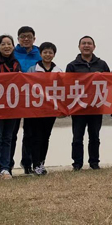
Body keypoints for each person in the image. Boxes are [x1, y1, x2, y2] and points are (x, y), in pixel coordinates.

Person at [66, 36, 110, 170]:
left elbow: (110, 82)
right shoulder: (72, 66)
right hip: (79, 107)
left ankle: (94, 162)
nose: (86, 46)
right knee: (77, 137)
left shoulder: (102, 65)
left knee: (95, 136)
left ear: (94, 47)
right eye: (83, 43)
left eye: (89, 43)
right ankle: (77, 164)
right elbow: (67, 86)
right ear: (79, 47)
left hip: (96, 107)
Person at [0, 35, 21, 181]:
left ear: (13, 46)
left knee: (8, 138)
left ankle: (5, 167)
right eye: (3, 44)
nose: (6, 46)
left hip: (12, 106)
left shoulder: (16, 63)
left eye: (9, 44)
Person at [26, 42, 63, 175]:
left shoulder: (58, 71)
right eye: (45, 52)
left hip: (51, 109)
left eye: (50, 52)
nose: (48, 55)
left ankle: (41, 163)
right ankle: (35, 164)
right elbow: (26, 87)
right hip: (36, 110)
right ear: (40, 54)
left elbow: (62, 90)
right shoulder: (32, 69)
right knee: (36, 137)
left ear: (54, 54)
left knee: (46, 136)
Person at [11, 26, 42, 175]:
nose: (26, 39)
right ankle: (7, 165)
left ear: (34, 38)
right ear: (18, 39)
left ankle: (27, 163)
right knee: (11, 133)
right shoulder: (12, 53)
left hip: (33, 99)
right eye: (23, 36)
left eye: (29, 36)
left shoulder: (40, 53)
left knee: (30, 133)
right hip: (14, 98)